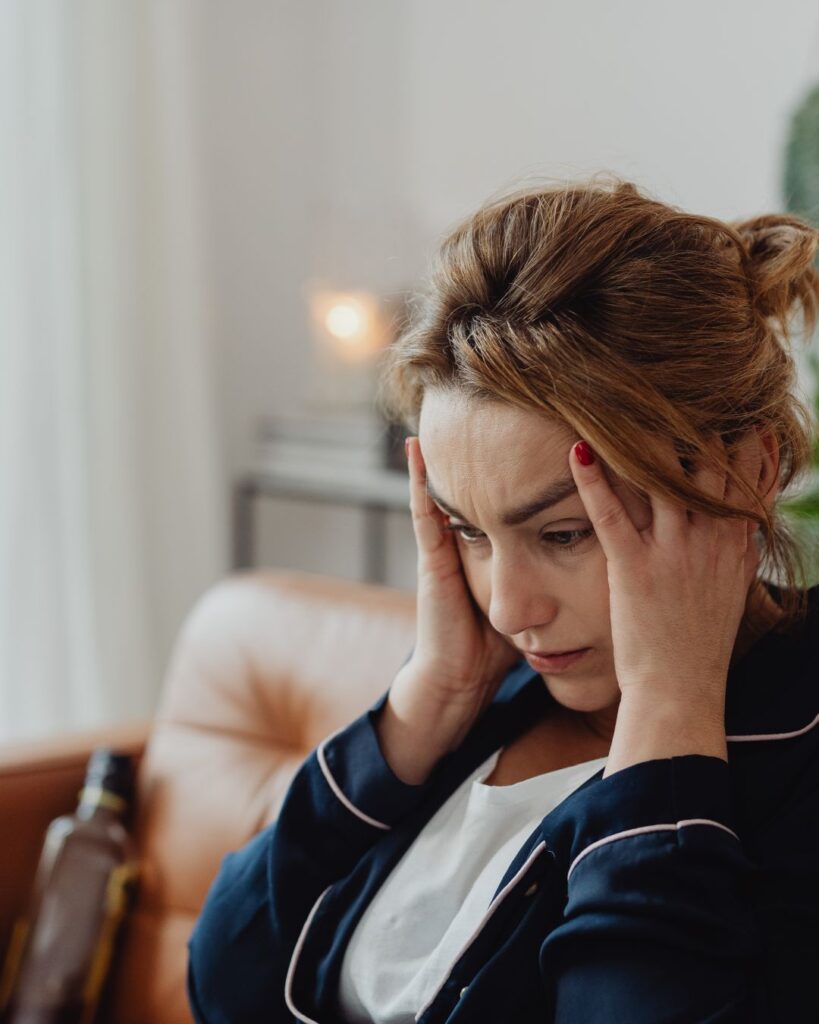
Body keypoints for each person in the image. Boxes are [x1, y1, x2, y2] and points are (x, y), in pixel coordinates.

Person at [186, 173, 819, 1023]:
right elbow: (223, 983)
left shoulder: (795, 754)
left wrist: (670, 709)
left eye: (562, 534)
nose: (508, 608)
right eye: (470, 532)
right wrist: (424, 704)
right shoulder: (487, 700)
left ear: (746, 470)